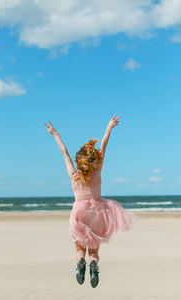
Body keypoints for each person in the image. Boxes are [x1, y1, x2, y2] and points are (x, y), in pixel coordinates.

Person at [44, 114, 138, 288]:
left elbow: (64, 152)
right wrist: (109, 127)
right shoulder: (97, 173)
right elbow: (102, 146)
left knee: (80, 249)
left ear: (79, 162)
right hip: (97, 214)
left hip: (79, 214)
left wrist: (55, 134)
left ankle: (81, 264)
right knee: (93, 251)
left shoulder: (74, 176)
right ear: (93, 160)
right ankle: (93, 264)